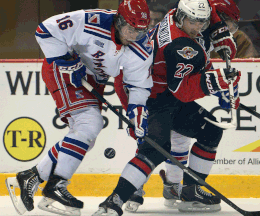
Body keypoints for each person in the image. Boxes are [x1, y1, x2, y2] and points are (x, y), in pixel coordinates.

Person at [93, 0, 241, 215]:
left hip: (156, 88)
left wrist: (219, 29)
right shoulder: (180, 46)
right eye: (194, 22)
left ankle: (190, 191)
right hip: (151, 96)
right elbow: (182, 91)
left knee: (211, 130)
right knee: (154, 147)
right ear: (183, 17)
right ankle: (113, 201)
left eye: (203, 22)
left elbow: (205, 12)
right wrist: (216, 83)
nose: (198, 27)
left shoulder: (175, 14)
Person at [5, 0, 153, 216]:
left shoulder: (142, 46)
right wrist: (64, 60)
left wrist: (137, 112)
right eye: (130, 29)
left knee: (86, 137)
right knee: (90, 123)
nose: (134, 36)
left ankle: (32, 177)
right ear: (118, 20)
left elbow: (138, 84)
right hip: (63, 71)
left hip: (93, 80)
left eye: (140, 31)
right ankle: (56, 185)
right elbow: (44, 30)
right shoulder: (92, 21)